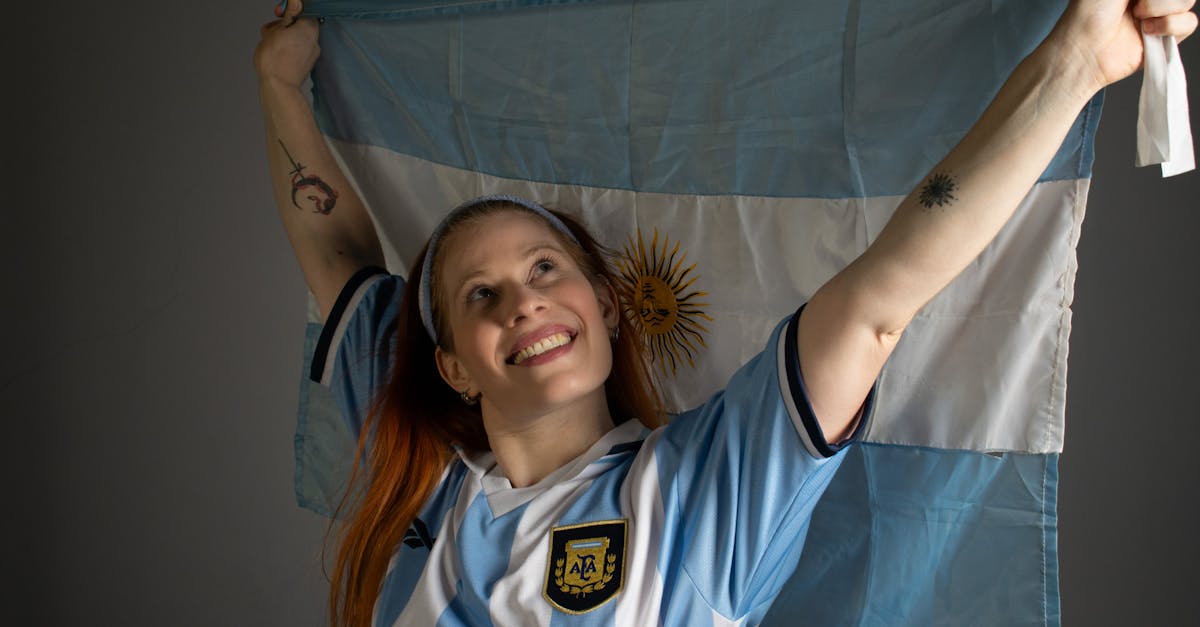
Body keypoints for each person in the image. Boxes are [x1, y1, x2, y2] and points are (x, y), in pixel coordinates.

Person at [254, 1, 1196, 625]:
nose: (526, 299)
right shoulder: (423, 480)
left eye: (547, 267)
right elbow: (339, 256)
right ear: (454, 363)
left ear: (609, 308)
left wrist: (1076, 62)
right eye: (481, 295)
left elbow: (880, 300)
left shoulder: (700, 486)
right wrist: (279, 85)